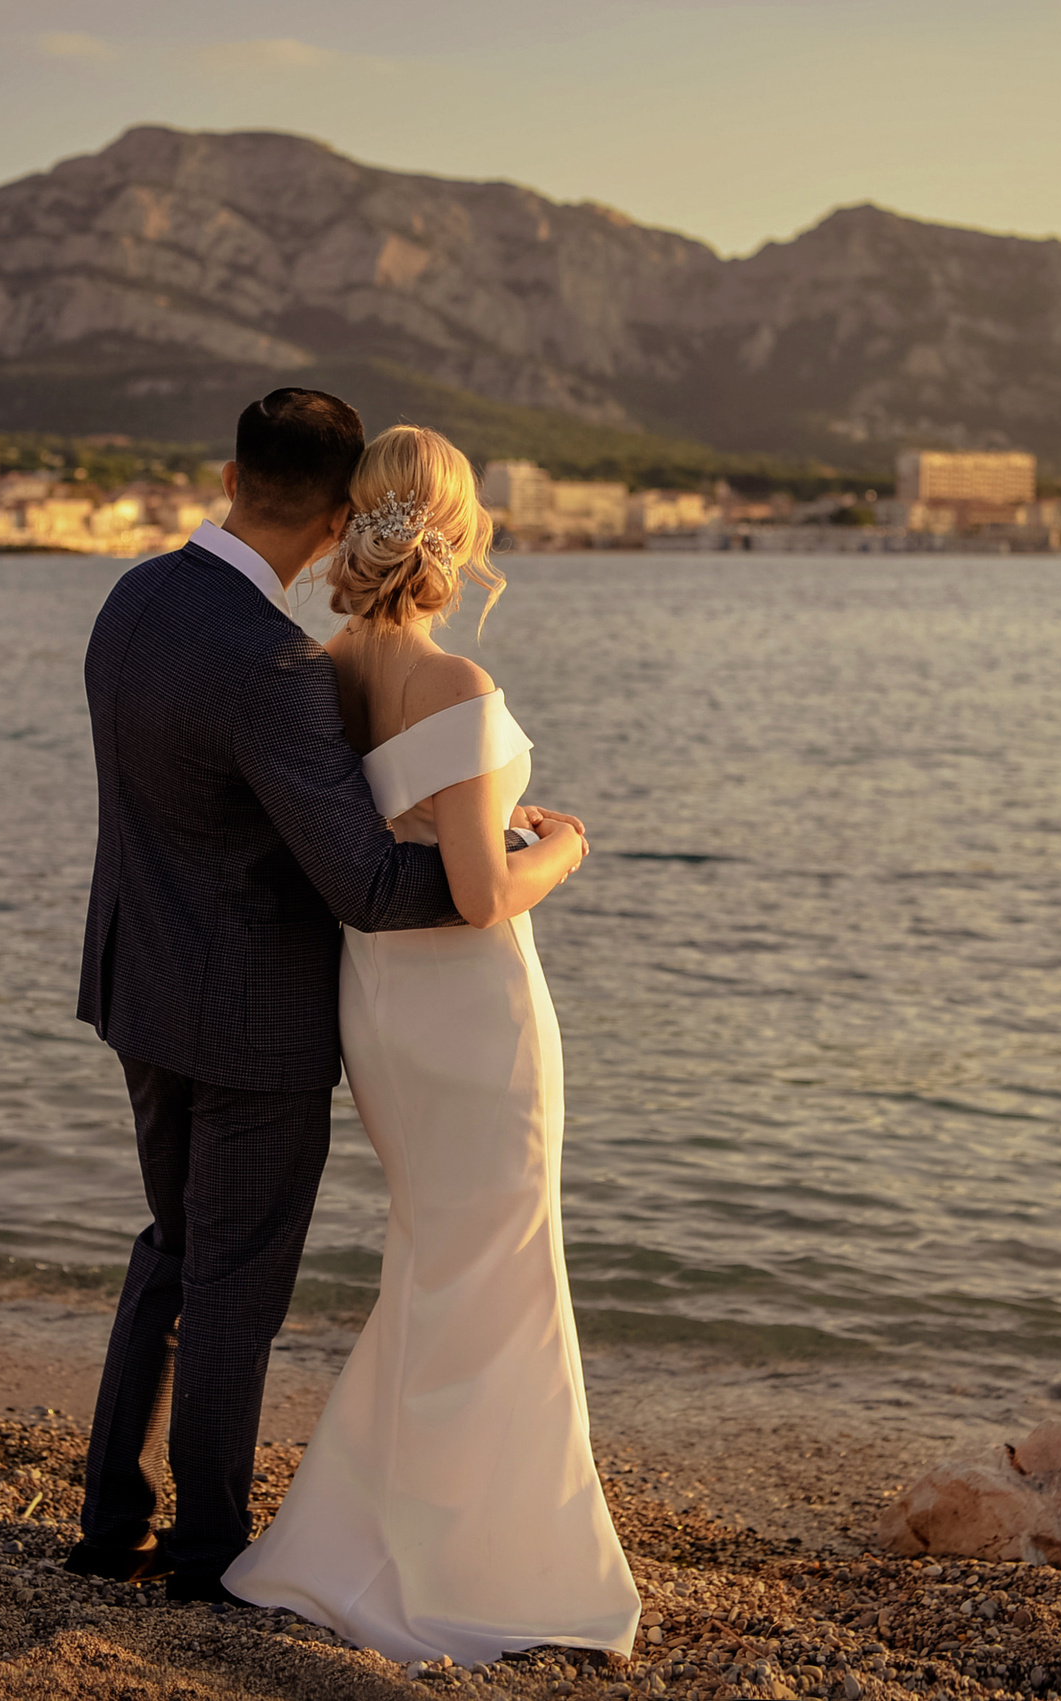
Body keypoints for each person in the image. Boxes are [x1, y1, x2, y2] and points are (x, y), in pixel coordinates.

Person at [65, 390, 589, 1604]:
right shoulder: (270, 665)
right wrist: (524, 856)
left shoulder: (132, 598)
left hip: (138, 985)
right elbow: (360, 879)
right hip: (248, 1020)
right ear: (344, 505)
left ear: (232, 471)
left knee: (172, 1252)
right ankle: (204, 1555)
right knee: (234, 1288)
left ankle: (109, 1521)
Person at [221, 425, 638, 1665]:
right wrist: (560, 848)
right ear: (453, 536)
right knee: (500, 1267)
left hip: (382, 1009)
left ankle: (371, 1536)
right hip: (474, 1015)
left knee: (436, 1258)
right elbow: (472, 889)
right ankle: (489, 1565)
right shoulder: (456, 688)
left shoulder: (322, 672)